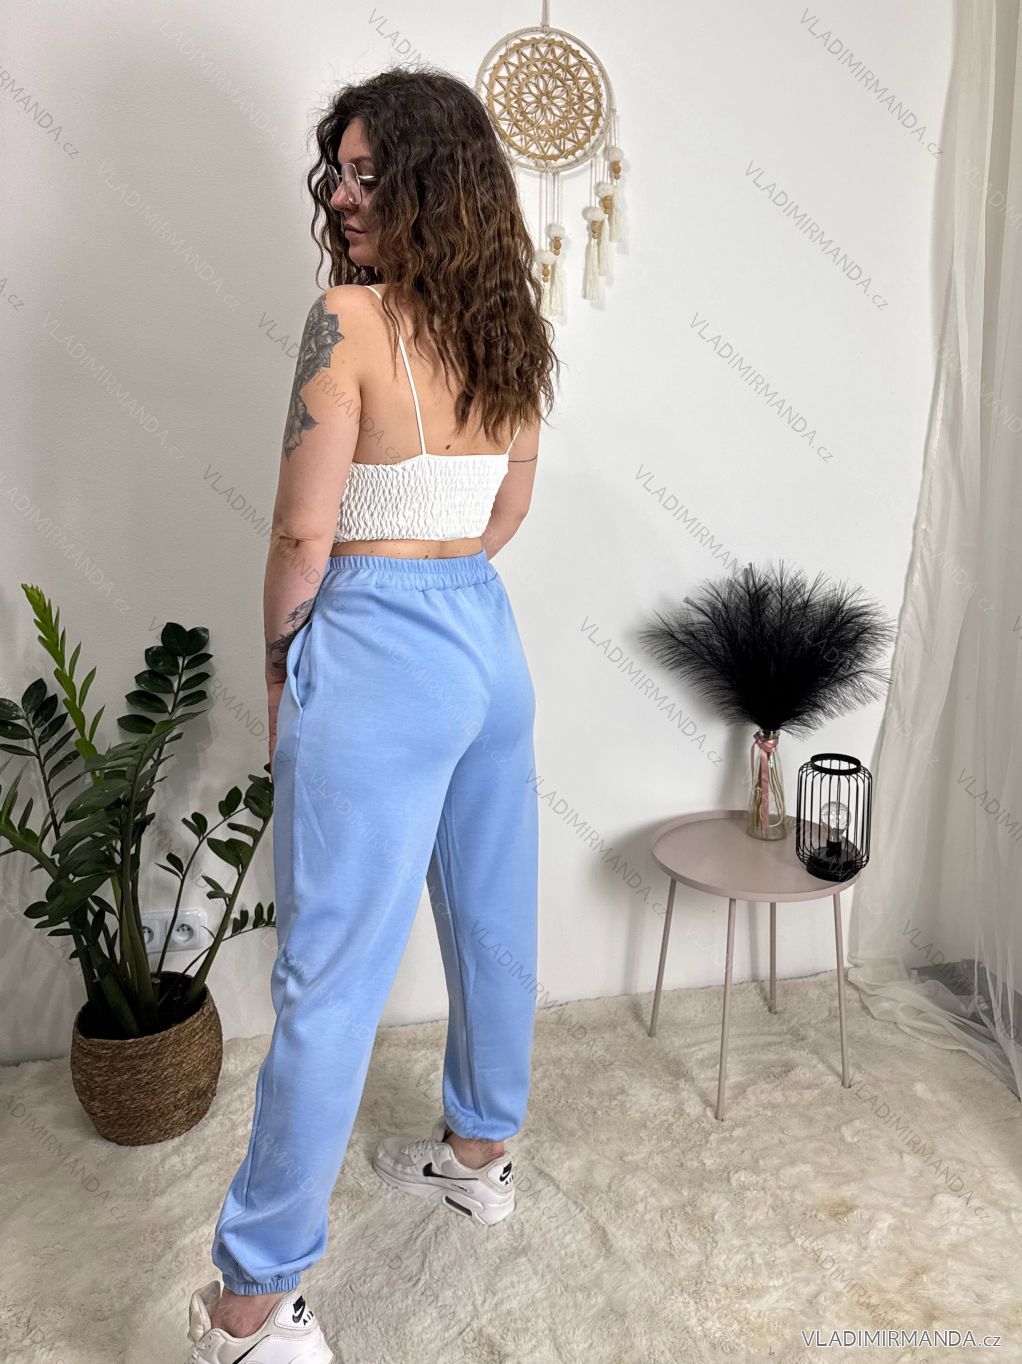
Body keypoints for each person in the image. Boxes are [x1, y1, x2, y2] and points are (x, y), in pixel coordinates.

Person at [183, 65, 560, 1364]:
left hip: (375, 648)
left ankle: (248, 1304)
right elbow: (509, 506)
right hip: (485, 646)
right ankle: (481, 1153)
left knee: (328, 978)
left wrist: (283, 664)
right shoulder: (510, 324)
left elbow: (303, 532)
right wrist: (441, 577)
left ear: (428, 185)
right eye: (337, 173)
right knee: (493, 916)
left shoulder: (346, 322)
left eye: (368, 174)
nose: (342, 197)